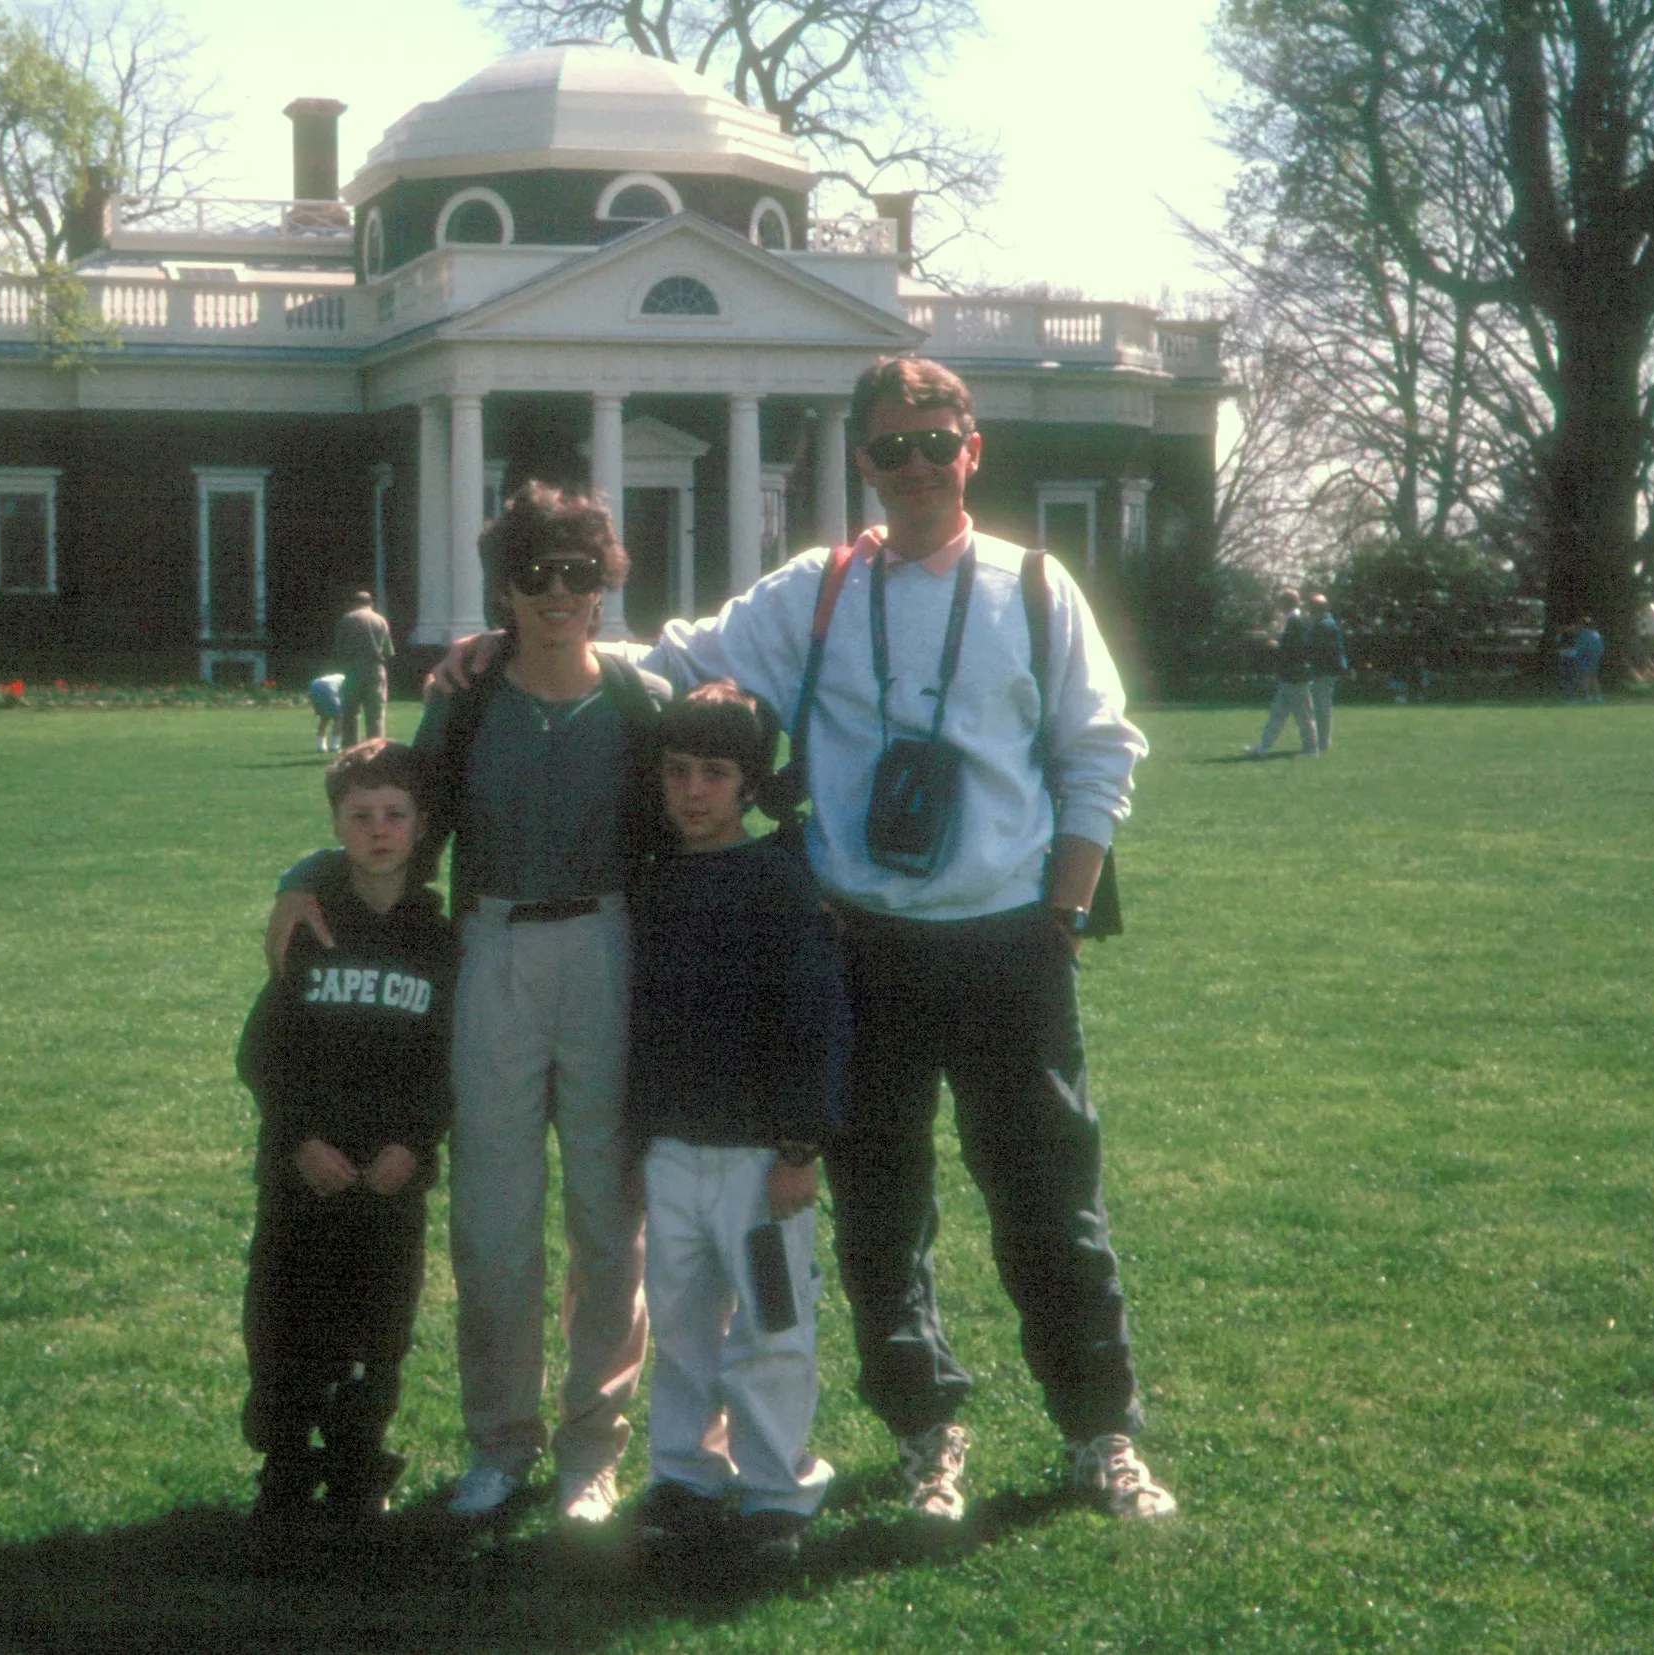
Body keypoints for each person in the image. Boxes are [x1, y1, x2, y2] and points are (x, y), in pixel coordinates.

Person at [438, 358, 1174, 1522]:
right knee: (880, 1210)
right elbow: (673, 662)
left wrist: (1065, 913)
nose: (916, 464)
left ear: (971, 448)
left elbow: (1098, 753)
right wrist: (511, 645)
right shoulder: (817, 591)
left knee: (1047, 1197)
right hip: (860, 942)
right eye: (891, 448)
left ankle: (1098, 1432)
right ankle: (927, 1428)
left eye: (937, 440)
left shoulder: (1033, 588)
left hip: (1003, 943)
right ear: (863, 460)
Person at [267, 484, 669, 1527]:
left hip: (605, 947)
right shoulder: (467, 696)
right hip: (491, 945)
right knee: (492, 1223)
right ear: (504, 585)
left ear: (604, 580)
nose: (556, 593)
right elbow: (394, 813)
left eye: (578, 572)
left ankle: (592, 1449)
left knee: (601, 1216)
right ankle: (498, 1440)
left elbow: (704, 814)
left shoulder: (637, 700)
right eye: (533, 573)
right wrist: (304, 869)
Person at [626, 682, 848, 1564]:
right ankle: (683, 1475)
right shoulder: (651, 881)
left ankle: (774, 1488)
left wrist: (798, 1147)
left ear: (750, 785)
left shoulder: (780, 884)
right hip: (674, 1150)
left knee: (771, 1323)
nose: (692, 792)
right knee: (679, 1323)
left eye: (714, 773)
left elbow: (814, 1023)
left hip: (762, 1160)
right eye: (677, 771)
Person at [235, 740, 457, 1531]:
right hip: (304, 1171)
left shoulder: (440, 938)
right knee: (286, 1317)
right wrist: (296, 1139)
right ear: (335, 826)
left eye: (394, 815)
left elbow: (446, 1060)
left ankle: (360, 1460)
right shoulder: (311, 923)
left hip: (389, 1175)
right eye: (359, 816)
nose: (378, 831)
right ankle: (285, 1461)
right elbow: (262, 1051)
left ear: (420, 826)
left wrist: (416, 1142)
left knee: (377, 1320)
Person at [1247, 587, 1318, 757]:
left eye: (1280, 601)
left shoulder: (1295, 620)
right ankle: (1264, 747)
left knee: (1303, 715)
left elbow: (1293, 648)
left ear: (1286, 603)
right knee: (1277, 714)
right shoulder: (1295, 619)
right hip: (1289, 675)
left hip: (1296, 675)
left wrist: (1273, 645)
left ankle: (1311, 749)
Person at [334, 590, 395, 745]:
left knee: (351, 713)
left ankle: (350, 749)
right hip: (375, 669)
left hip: (353, 668)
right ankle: (374, 749)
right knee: (375, 713)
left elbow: (339, 648)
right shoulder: (380, 620)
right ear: (371, 603)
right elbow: (388, 651)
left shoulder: (347, 619)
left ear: (354, 603)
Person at [1306, 592, 1348, 753]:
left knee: (1321, 708)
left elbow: (1321, 652)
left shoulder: (1322, 626)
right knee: (1322, 706)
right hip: (1330, 670)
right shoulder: (1328, 623)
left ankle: (1322, 742)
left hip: (1324, 671)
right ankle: (1323, 741)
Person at [307, 672, 347, 752]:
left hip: (314, 685)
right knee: (339, 718)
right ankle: (335, 746)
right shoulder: (345, 680)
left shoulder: (338, 677)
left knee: (324, 718)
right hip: (328, 687)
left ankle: (321, 746)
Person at [1570, 617, 1605, 703]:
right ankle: (1598, 697)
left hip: (1585, 657)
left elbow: (1578, 648)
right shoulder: (1596, 634)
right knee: (1594, 677)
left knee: (1586, 677)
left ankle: (1588, 696)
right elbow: (1600, 648)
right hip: (1595, 657)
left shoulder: (1581, 634)